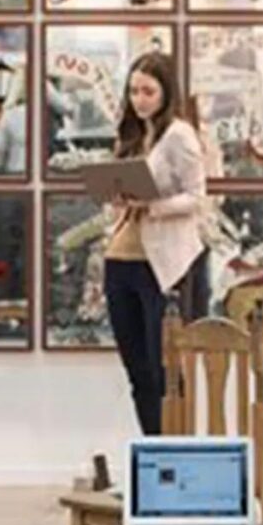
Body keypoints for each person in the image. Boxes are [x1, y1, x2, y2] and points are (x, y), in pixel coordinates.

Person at [102, 50, 210, 434]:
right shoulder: (132, 135)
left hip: (162, 265)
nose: (140, 100)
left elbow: (197, 198)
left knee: (164, 369)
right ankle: (152, 448)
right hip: (120, 259)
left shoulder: (179, 134)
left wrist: (152, 205)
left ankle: (173, 448)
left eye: (148, 91)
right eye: (133, 91)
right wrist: (117, 196)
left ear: (166, 92)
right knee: (137, 371)